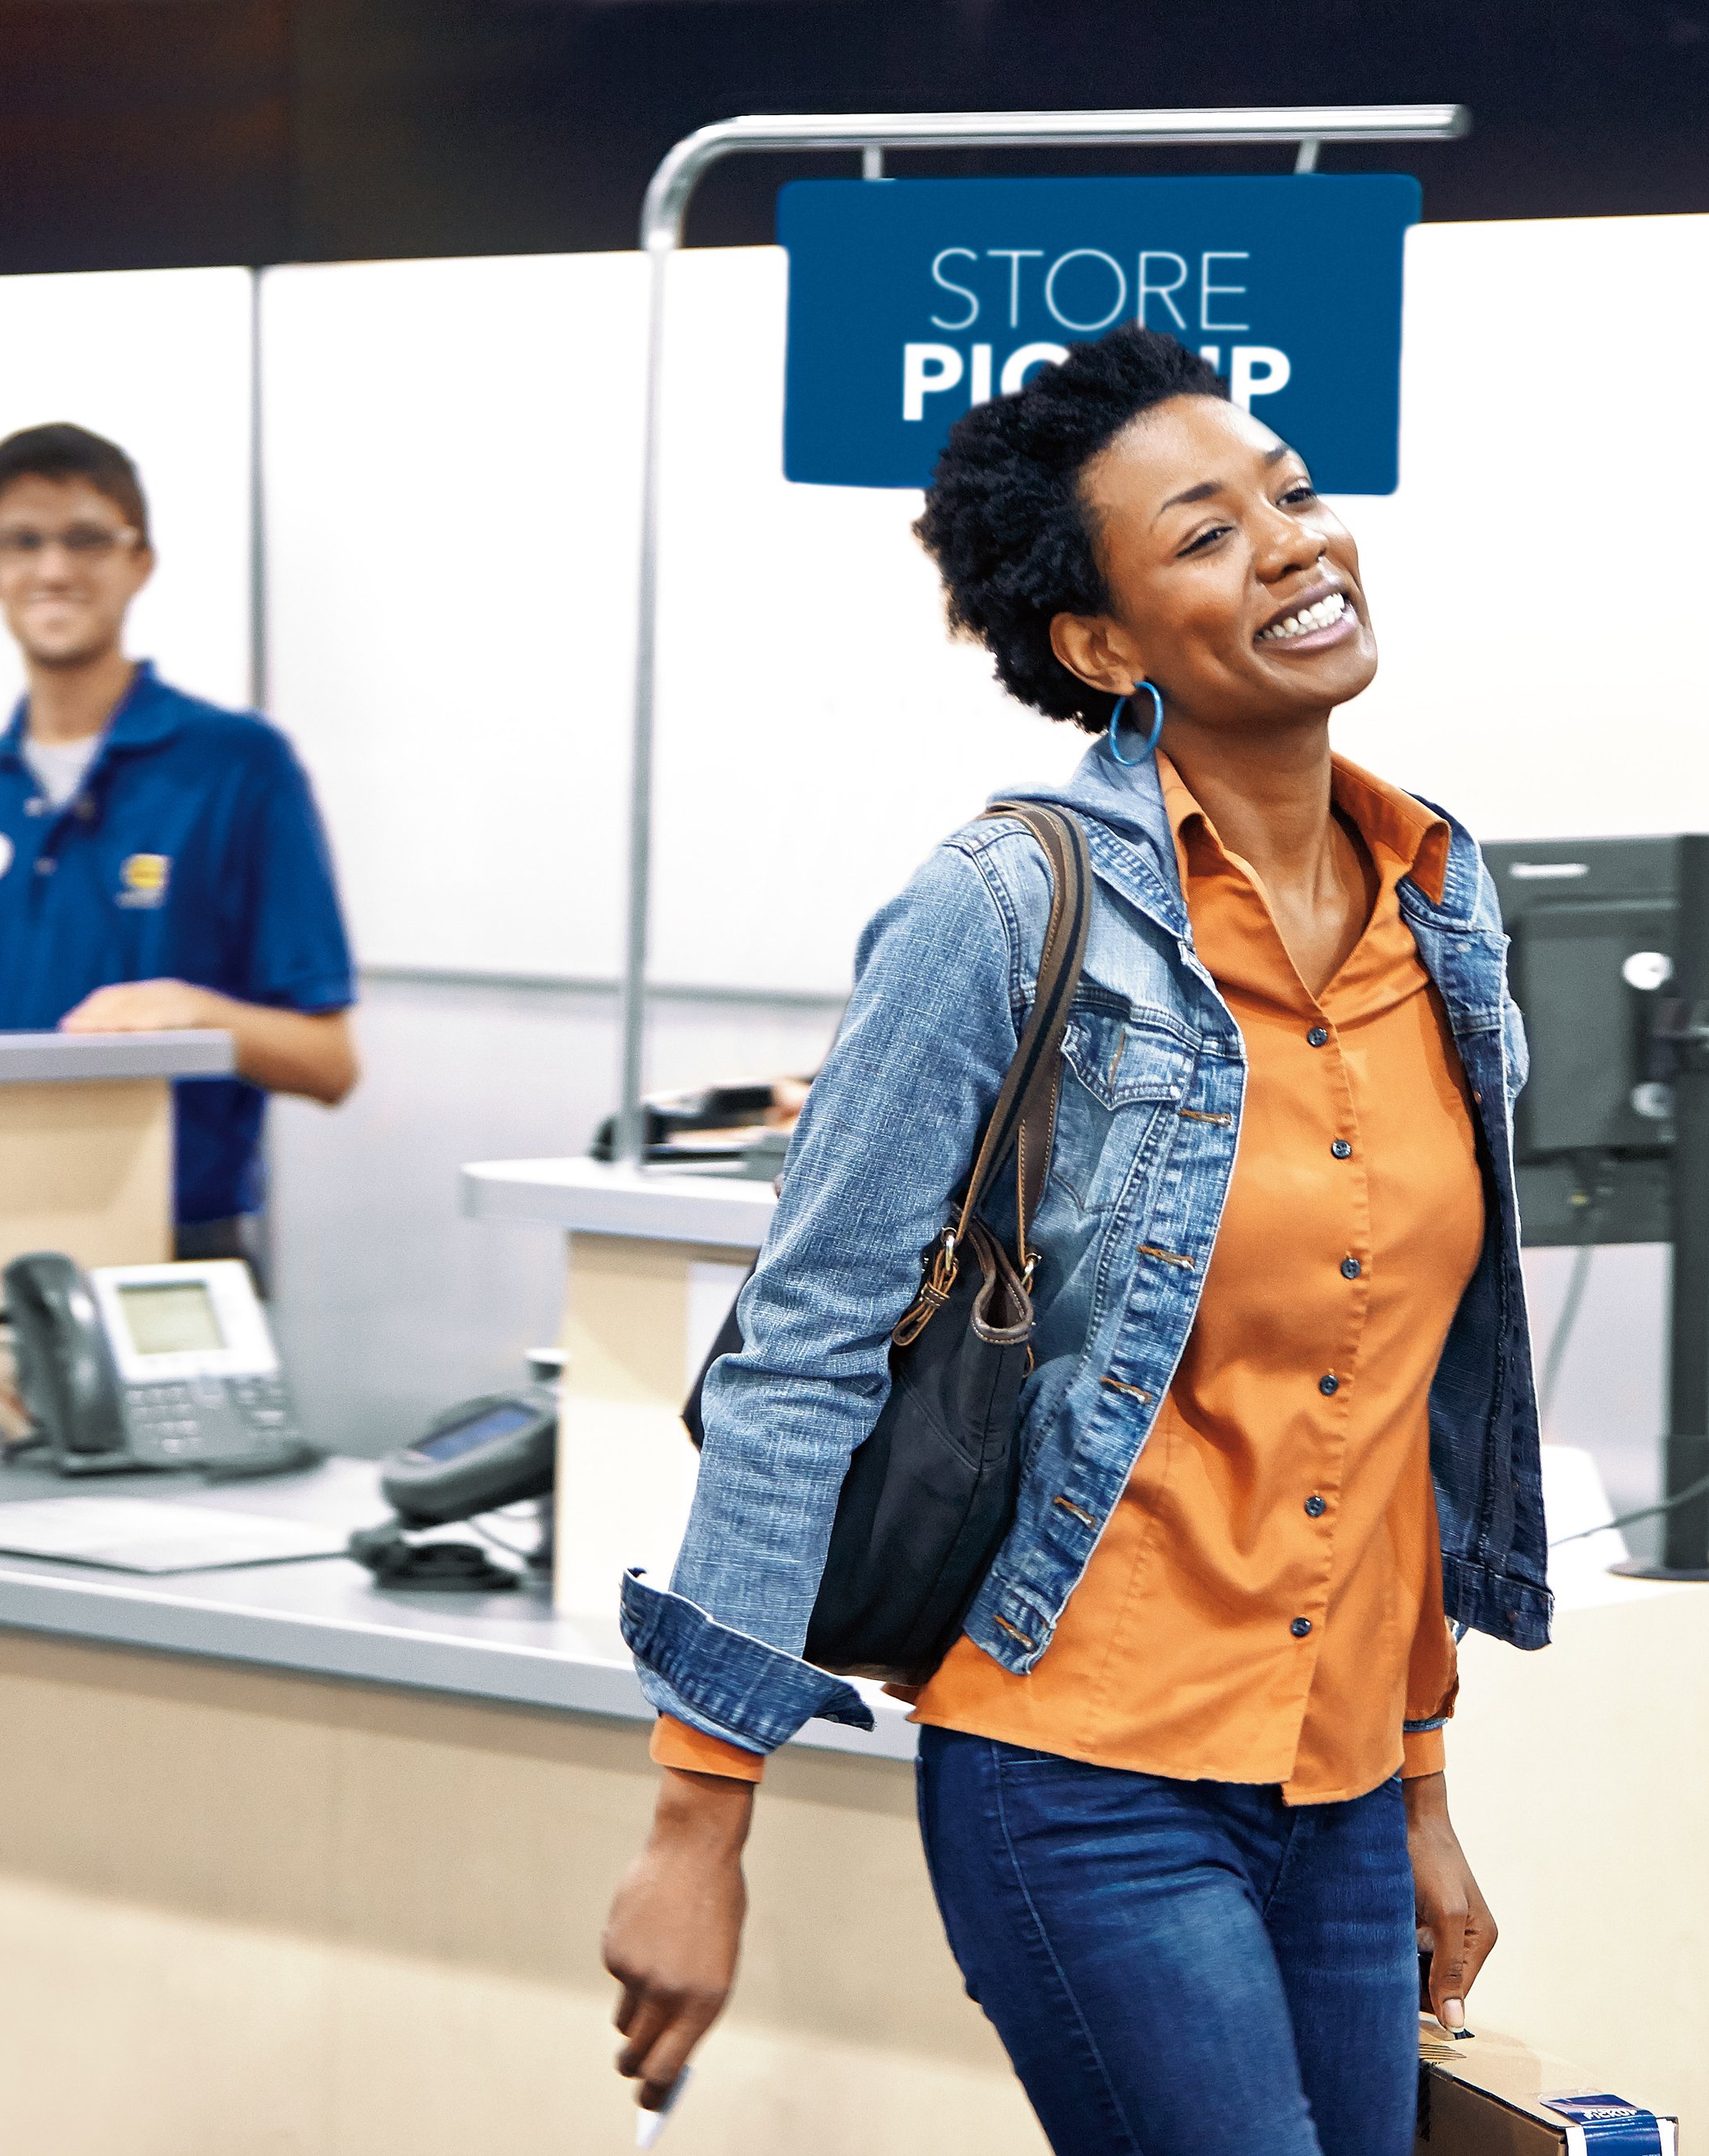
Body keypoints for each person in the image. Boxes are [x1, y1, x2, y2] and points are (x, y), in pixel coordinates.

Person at [601, 325, 1552, 2156]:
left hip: (1342, 1788)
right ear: (1103, 648)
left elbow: (1393, 1403)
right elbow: (801, 1352)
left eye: (1290, 494)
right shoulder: (996, 906)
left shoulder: (1443, 898)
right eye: (1205, 533)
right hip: (1083, 1770)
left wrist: (1421, 1782)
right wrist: (697, 1819)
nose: (1292, 544)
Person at [0, 423, 358, 1266]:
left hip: (174, 1254)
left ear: (139, 561)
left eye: (87, 539)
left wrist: (197, 1009)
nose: (54, 569)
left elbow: (330, 1063)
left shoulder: (239, 766)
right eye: (23, 542)